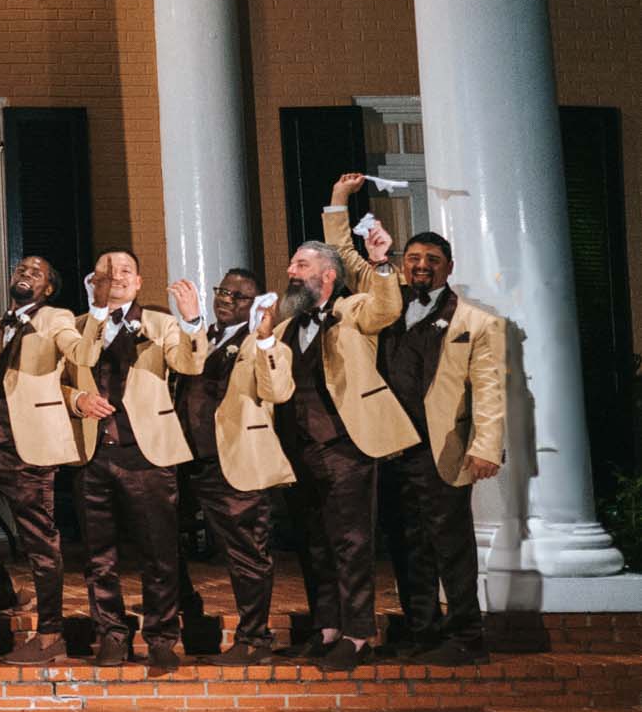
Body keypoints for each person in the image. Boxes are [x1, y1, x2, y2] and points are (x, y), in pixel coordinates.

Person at [339, 212, 503, 664]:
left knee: (450, 544)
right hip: (392, 447)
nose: (421, 266)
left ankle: (468, 635)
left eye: (432, 258)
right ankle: (421, 631)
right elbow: (349, 261)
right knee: (406, 543)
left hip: (442, 448)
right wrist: (338, 205)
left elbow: (489, 390)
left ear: (449, 267)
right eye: (413, 258)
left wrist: (486, 447)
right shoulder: (386, 304)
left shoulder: (475, 321)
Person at [277, 178, 414, 671]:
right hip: (299, 448)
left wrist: (379, 264)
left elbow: (386, 306)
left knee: (351, 541)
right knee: (312, 540)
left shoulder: (353, 310)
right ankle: (328, 626)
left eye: (302, 264)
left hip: (346, 445)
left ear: (328, 275)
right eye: (292, 264)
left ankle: (358, 633)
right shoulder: (281, 325)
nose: (291, 271)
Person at [62, 252, 207, 674]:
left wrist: (193, 320)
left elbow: (190, 363)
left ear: (139, 282)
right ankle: (110, 633)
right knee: (98, 555)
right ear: (94, 281)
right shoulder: (76, 326)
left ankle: (162, 637)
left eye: (125, 271)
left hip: (148, 453)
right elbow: (63, 380)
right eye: (107, 271)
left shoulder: (161, 323)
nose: (117, 277)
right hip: (94, 453)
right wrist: (78, 400)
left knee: (159, 552)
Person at [171, 268, 294, 663]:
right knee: (163, 541)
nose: (225, 299)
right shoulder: (199, 337)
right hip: (188, 460)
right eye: (222, 291)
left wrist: (265, 338)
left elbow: (277, 390)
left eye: (238, 296)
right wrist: (190, 323)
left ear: (256, 305)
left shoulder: (263, 343)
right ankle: (188, 609)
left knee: (246, 553)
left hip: (234, 461)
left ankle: (254, 638)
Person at [0, 256, 81, 663]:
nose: (24, 273)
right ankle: (1, 589)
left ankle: (51, 635)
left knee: (39, 540)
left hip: (28, 449)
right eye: (20, 268)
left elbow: (74, 346)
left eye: (36, 272)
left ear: (48, 288)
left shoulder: (55, 318)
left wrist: (84, 341)